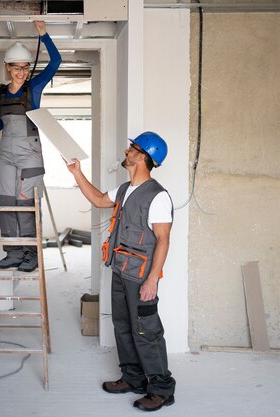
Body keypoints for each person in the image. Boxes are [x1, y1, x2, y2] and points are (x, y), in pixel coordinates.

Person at [66, 131, 176, 412]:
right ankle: (133, 378)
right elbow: (99, 200)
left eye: (132, 149)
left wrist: (152, 279)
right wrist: (77, 173)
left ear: (142, 156)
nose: (127, 151)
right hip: (120, 270)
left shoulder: (158, 196)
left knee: (146, 331)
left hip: (141, 277)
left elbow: (163, 239)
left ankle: (162, 389)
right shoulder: (125, 190)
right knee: (122, 326)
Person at [0, 20, 61, 273]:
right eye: (17, 68)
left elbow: (55, 63)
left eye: (25, 68)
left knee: (26, 204)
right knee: (6, 201)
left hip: (30, 156)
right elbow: (0, 123)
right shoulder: (0, 93)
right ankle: (13, 252)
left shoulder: (33, 88)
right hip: (7, 155)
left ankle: (30, 253)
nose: (22, 72)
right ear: (8, 68)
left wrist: (44, 34)